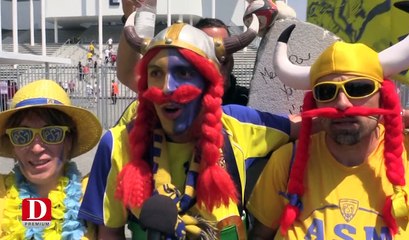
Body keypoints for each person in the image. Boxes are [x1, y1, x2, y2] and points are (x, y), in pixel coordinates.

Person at [77, 14, 305, 239]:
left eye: (183, 72)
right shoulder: (117, 144)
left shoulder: (238, 124)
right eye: (156, 73)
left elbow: (307, 126)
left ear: (208, 83)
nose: (167, 87)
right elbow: (109, 232)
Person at [247, 2, 409, 239]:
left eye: (359, 88)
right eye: (326, 92)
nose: (342, 103)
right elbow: (260, 235)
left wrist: (408, 116)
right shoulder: (286, 162)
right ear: (315, 103)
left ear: (383, 96)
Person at [0, 79, 102, 239]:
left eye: (51, 134)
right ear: (12, 146)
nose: (36, 148)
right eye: (22, 135)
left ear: (69, 141)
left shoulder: (93, 196)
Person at [117, 0, 250, 106]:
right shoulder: (173, 96)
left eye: (223, 51)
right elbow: (129, 73)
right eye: (205, 52)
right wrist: (134, 16)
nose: (218, 57)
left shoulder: (249, 101)